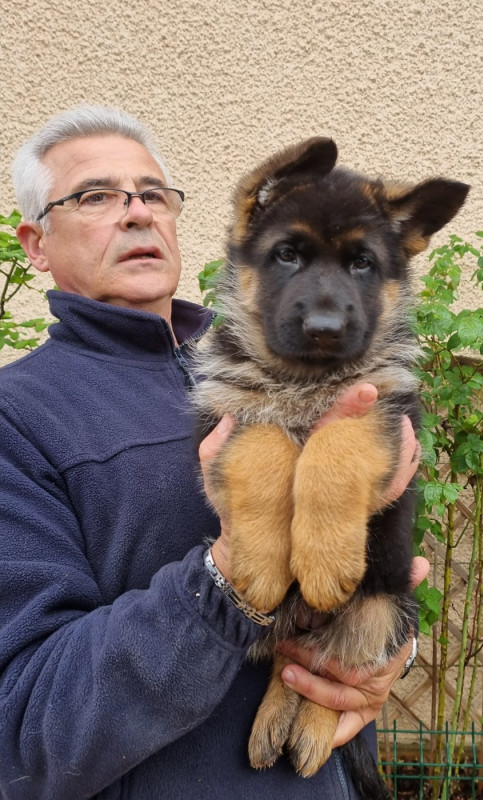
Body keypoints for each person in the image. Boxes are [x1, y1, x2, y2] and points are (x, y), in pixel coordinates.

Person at [0, 106, 427, 800]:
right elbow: (24, 733)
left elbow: (371, 557)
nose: (137, 214)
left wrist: (386, 657)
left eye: (153, 193)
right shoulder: (18, 417)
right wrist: (225, 580)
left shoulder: (280, 360)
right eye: (96, 196)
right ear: (36, 243)